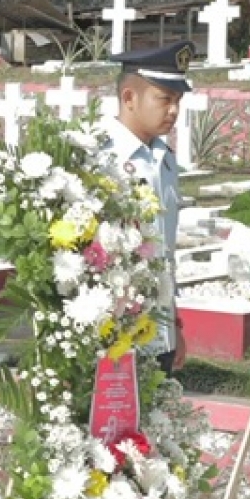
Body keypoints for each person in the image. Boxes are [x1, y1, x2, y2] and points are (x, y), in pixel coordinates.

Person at [105, 40, 193, 377]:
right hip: (116, 329)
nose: (173, 111)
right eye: (164, 99)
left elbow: (164, 252)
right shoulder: (101, 158)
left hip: (158, 327)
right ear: (129, 98)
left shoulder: (164, 159)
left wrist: (174, 325)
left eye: (177, 102)